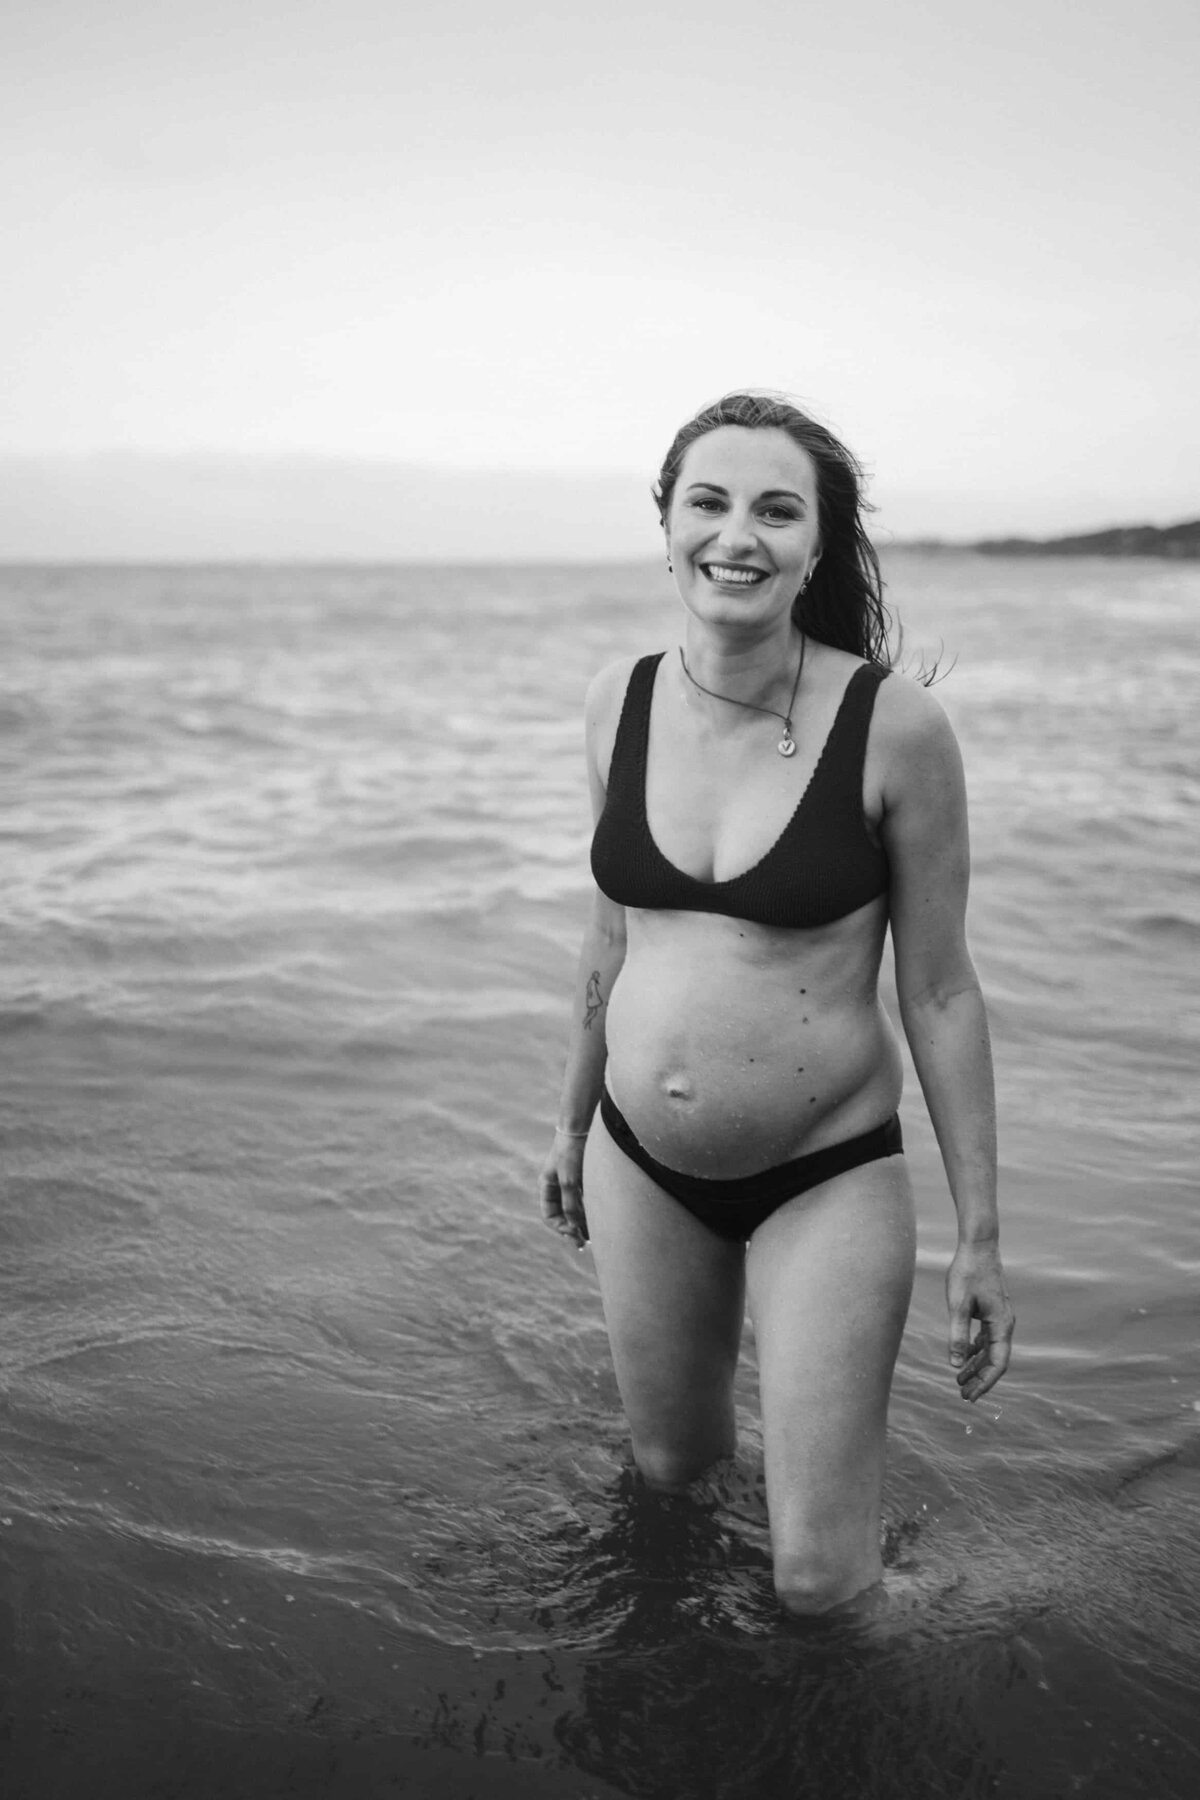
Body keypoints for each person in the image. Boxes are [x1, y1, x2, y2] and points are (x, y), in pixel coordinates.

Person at [538, 391, 1014, 1617]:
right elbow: (611, 935)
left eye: (776, 510)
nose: (736, 535)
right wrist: (570, 1124)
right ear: (667, 524)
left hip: (826, 1173)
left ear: (815, 546)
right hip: (641, 1164)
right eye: (708, 501)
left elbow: (941, 991)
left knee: (821, 1580)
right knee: (671, 1480)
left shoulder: (895, 728)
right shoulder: (616, 701)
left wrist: (982, 1236)